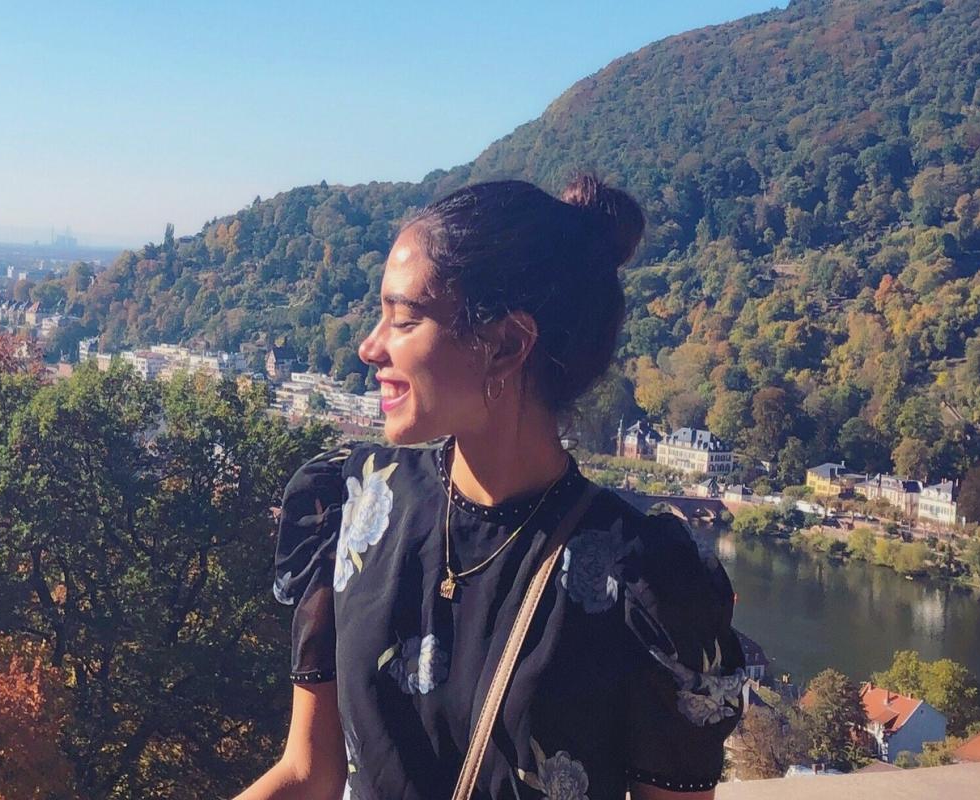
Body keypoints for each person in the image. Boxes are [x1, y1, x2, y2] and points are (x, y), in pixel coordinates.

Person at [236, 177, 747, 800]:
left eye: (404, 320)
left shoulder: (649, 583)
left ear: (505, 345)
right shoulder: (351, 504)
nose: (371, 347)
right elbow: (307, 773)